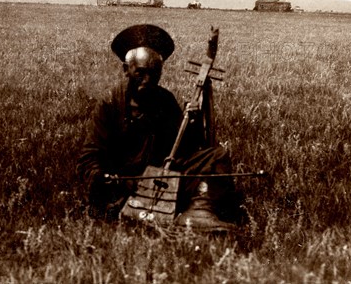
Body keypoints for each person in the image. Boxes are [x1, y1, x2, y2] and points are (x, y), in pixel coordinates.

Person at [77, 24, 239, 231]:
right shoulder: (111, 104)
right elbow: (89, 157)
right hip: (128, 183)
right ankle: (167, 207)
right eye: (140, 73)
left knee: (216, 156)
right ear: (126, 70)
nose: (147, 81)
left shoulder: (165, 100)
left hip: (162, 177)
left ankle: (198, 211)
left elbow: (185, 149)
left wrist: (192, 121)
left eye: (154, 74)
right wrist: (107, 179)